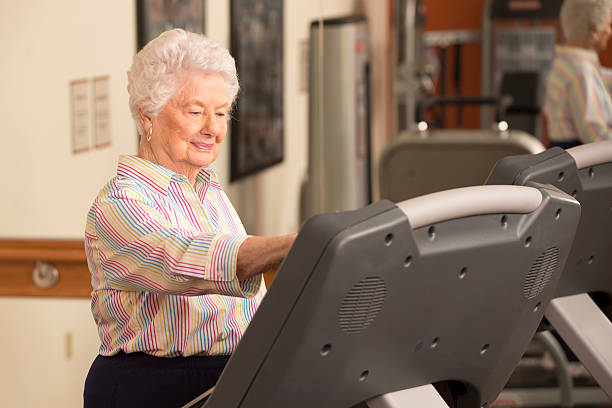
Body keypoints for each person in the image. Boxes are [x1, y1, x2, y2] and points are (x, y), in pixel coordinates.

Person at [83, 28, 296, 407]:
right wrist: (300, 244)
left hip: (234, 373)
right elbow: (183, 258)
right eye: (196, 112)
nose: (212, 129)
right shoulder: (119, 204)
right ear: (146, 116)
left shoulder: (208, 191)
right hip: (153, 388)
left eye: (221, 113)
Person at [544, 0, 612, 148]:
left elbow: (602, 78)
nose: (609, 31)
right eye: (608, 24)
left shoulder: (564, 64)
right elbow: (596, 137)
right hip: (579, 165)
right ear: (594, 30)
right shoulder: (581, 72)